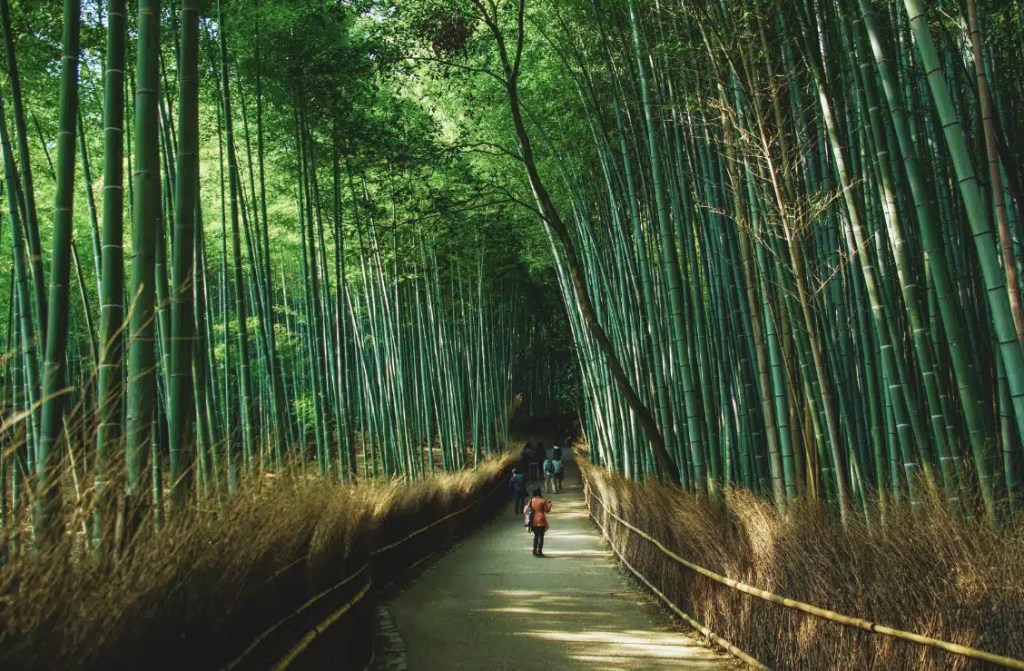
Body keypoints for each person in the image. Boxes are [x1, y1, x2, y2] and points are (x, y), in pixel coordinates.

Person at [524, 488, 553, 557]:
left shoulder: (531, 500)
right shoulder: (542, 501)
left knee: (536, 535)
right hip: (541, 520)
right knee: (541, 536)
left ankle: (534, 550)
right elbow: (547, 510)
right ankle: (539, 551)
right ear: (540, 494)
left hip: (533, 520)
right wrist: (550, 504)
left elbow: (526, 510)